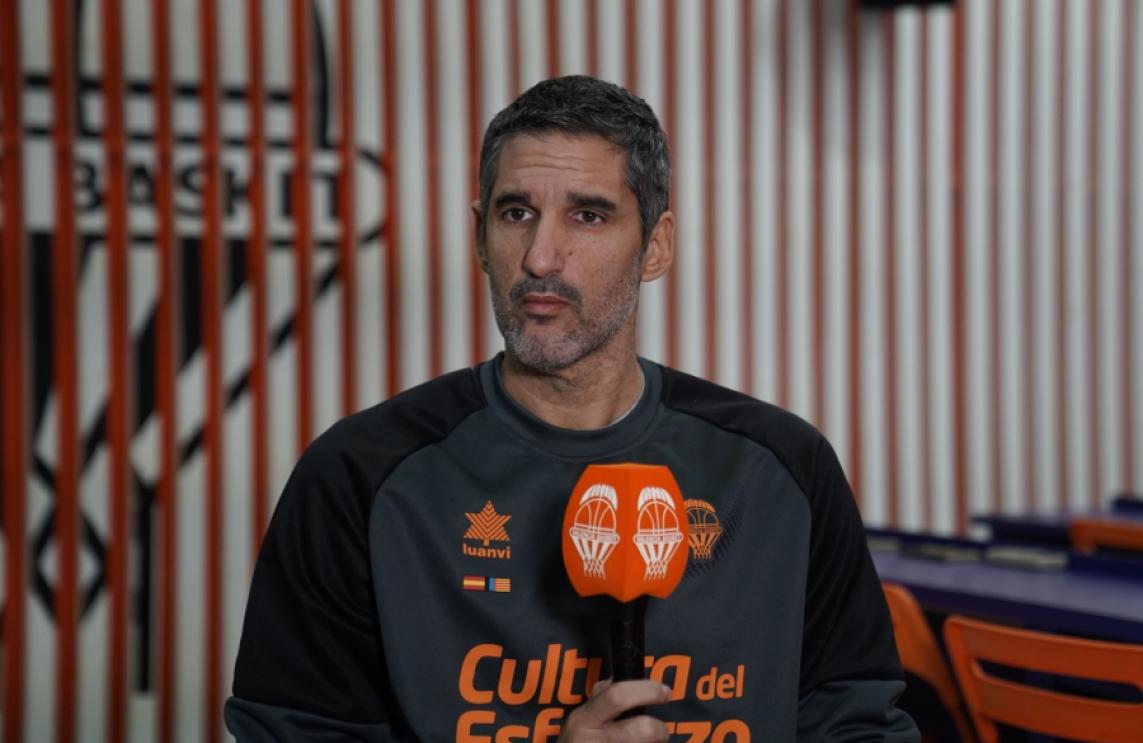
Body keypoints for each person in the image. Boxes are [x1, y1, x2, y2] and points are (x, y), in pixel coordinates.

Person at [225, 75, 918, 742]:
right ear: (480, 236)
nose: (540, 258)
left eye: (587, 215)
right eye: (516, 213)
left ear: (655, 246)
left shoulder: (783, 470)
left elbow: (855, 723)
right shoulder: (358, 475)